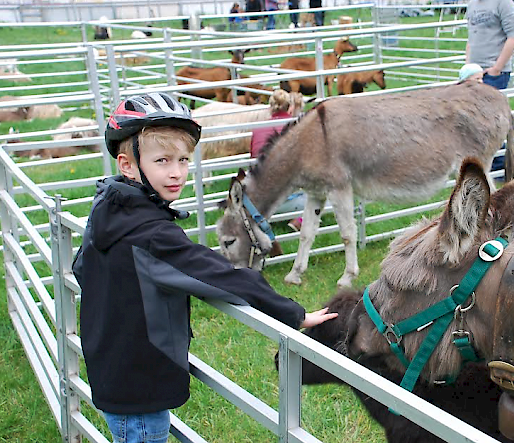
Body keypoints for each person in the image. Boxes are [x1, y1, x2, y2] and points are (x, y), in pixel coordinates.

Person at [72, 92, 336, 443]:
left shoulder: (107, 207)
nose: (177, 172)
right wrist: (292, 312)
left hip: (111, 370)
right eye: (162, 160)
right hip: (140, 385)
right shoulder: (153, 234)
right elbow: (217, 272)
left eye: (183, 160)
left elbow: (80, 268)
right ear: (128, 165)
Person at [465, 0, 514, 174]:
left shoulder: (503, 3)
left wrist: (497, 68)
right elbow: (471, 38)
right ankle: (484, 165)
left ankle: (499, 168)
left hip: (493, 71)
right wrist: (468, 67)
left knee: (492, 121)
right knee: (476, 119)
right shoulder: (472, 4)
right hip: (474, 73)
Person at [250, 89, 305, 231]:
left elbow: (253, 160)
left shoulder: (258, 128)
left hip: (258, 200)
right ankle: (299, 219)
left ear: (270, 108)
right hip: (285, 198)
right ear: (290, 107)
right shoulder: (296, 127)